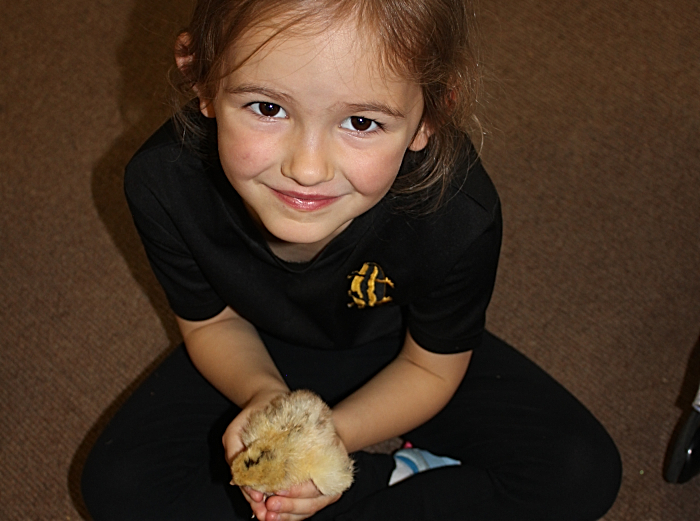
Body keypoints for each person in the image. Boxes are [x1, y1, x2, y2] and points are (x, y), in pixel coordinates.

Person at [81, 0, 622, 519]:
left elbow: (431, 368)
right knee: (117, 487)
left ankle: (367, 482)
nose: (308, 168)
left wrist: (325, 447)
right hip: (251, 345)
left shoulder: (457, 212)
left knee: (579, 470)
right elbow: (212, 324)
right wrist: (265, 401)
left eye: (361, 122)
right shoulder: (162, 182)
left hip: (399, 353)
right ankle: (392, 484)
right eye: (267, 108)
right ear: (201, 76)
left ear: (429, 116)